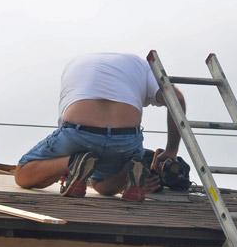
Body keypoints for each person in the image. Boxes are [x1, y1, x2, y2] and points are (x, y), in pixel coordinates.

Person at [13, 52, 185, 199]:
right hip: (125, 140)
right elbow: (176, 99)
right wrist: (171, 150)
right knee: (101, 185)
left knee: (22, 174)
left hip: (80, 131)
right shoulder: (144, 66)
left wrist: (65, 160)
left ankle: (73, 162)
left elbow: (65, 121)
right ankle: (128, 168)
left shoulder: (75, 65)